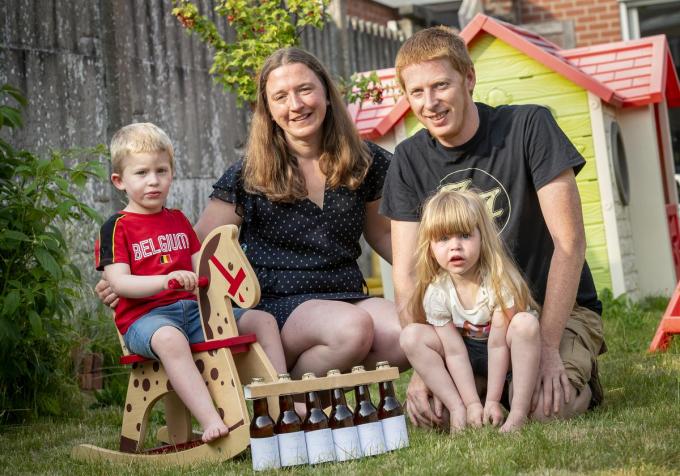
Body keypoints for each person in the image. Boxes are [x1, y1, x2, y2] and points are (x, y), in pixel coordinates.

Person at [98, 47, 406, 381]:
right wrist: (130, 279)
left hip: (345, 292)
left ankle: (307, 395)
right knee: (352, 329)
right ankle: (282, 399)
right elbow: (200, 246)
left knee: (405, 336)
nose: (296, 105)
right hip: (276, 307)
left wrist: (432, 279)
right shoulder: (251, 172)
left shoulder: (364, 159)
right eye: (281, 97)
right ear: (269, 110)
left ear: (327, 94)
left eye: (305, 89)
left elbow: (383, 234)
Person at [381, 26, 605, 428]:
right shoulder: (408, 159)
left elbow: (569, 244)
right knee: (439, 415)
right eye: (416, 92)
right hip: (468, 323)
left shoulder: (529, 127)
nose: (430, 103)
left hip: (548, 311)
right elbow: (407, 275)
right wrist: (421, 366)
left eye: (440, 85)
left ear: (468, 78)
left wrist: (549, 347)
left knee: (544, 409)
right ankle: (492, 385)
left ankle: (573, 374)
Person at [96, 123, 285, 442]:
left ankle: (283, 401)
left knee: (262, 319)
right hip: (147, 320)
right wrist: (166, 282)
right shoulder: (117, 227)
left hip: (195, 313)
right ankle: (211, 419)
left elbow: (203, 271)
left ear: (171, 173)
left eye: (161, 170)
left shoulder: (179, 220)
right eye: (141, 173)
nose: (153, 181)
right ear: (119, 181)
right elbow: (120, 283)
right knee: (170, 340)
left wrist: (222, 280)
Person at [404, 189, 540, 432]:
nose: (455, 247)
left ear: (482, 237)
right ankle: (456, 407)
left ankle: (518, 413)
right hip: (469, 355)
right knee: (411, 336)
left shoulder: (499, 282)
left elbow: (498, 345)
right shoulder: (437, 292)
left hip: (508, 356)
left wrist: (492, 402)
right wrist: (469, 404)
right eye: (443, 239)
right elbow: (454, 352)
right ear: (430, 247)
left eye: (465, 236)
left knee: (525, 325)